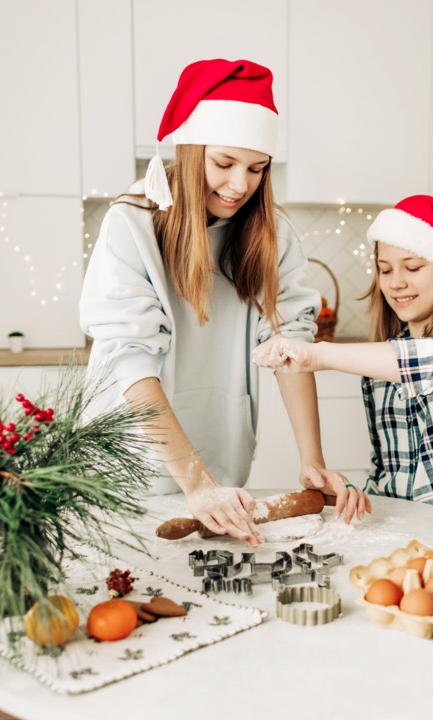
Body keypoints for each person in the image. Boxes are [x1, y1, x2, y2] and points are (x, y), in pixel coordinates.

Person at [79, 59, 370, 546]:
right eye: (225, 163)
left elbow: (290, 345)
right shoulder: (131, 224)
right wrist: (196, 483)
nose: (240, 185)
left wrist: (312, 461)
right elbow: (131, 362)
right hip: (127, 464)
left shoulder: (269, 236)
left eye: (257, 169)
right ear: (191, 151)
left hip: (220, 468)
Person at [253, 195, 433, 507]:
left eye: (413, 267)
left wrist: (316, 355)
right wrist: (355, 497)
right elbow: (389, 473)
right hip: (407, 528)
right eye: (385, 270)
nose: (396, 282)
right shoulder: (382, 363)